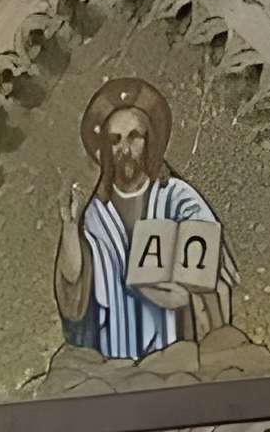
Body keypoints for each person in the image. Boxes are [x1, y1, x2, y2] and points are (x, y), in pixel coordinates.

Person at [52, 79, 235, 361]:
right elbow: (74, 285)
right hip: (115, 349)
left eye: (134, 136)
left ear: (149, 140)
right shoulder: (97, 214)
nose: (125, 148)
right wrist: (68, 226)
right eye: (115, 140)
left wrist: (178, 294)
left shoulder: (177, 198)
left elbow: (208, 276)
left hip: (174, 346)